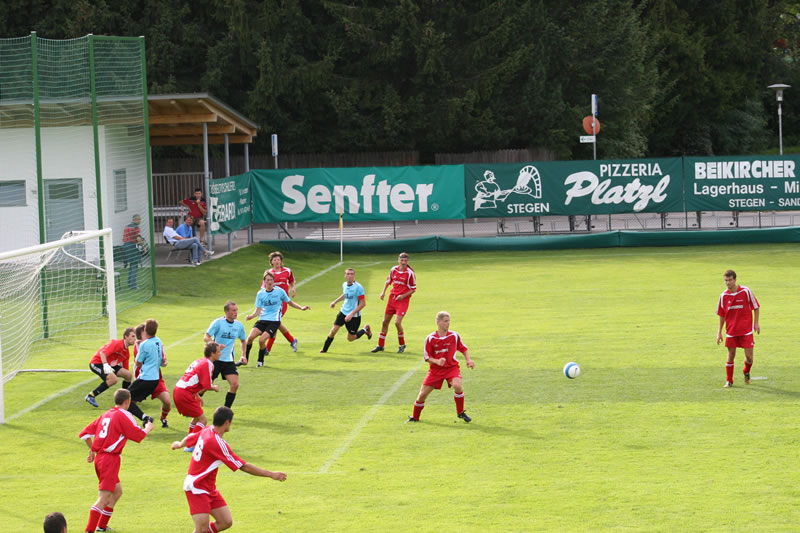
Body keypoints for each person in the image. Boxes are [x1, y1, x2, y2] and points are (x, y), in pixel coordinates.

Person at [172, 406, 287, 533]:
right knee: (201, 530)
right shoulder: (217, 443)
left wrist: (179, 444)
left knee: (225, 521)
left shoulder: (207, 430)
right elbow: (244, 466)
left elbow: (192, 437)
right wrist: (271, 474)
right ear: (227, 422)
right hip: (197, 488)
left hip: (209, 488)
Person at [79, 388, 154, 533]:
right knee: (104, 497)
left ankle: (102, 525)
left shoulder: (106, 414)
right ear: (127, 402)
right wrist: (148, 427)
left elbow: (85, 434)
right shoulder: (124, 415)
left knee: (117, 492)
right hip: (109, 460)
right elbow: (138, 436)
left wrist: (93, 450)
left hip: (101, 459)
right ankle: (89, 530)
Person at [408, 311, 475, 423]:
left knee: (458, 386)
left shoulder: (454, 335)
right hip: (435, 371)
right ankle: (415, 417)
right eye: (445, 321)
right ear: (438, 322)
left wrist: (468, 360)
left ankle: (460, 412)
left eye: (449, 321)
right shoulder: (430, 338)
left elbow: (463, 348)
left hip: (451, 368)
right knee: (422, 395)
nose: (448, 324)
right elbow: (427, 357)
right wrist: (437, 361)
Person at [245, 271, 310, 367]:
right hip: (262, 320)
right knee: (250, 338)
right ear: (264, 282)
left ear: (273, 281)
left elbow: (290, 302)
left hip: (274, 321)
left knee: (261, 341)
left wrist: (301, 308)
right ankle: (244, 359)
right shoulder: (260, 294)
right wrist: (251, 316)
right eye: (267, 280)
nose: (269, 282)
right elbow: (258, 310)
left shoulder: (279, 291)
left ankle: (260, 361)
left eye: (271, 280)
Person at [173, 342, 222, 452]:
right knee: (203, 420)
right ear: (212, 353)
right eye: (218, 352)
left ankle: (190, 442)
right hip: (184, 392)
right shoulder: (208, 364)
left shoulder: (198, 361)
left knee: (197, 417)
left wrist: (196, 395)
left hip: (179, 389)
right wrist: (215, 388)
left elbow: (192, 380)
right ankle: (190, 445)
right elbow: (207, 385)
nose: (220, 354)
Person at [716, 269, 760, 387]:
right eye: (726, 280)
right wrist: (719, 332)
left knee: (750, 358)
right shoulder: (723, 296)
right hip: (731, 331)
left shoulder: (746, 291)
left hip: (746, 330)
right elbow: (722, 315)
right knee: (731, 355)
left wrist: (756, 323)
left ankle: (746, 371)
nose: (728, 283)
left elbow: (756, 306)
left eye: (730, 280)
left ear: (735, 280)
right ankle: (729, 380)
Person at [204, 301, 247, 407]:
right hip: (215, 360)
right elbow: (206, 337)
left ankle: (226, 409)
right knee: (204, 386)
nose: (236, 312)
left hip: (228, 360)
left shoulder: (239, 325)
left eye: (236, 310)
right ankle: (192, 405)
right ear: (227, 312)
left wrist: (243, 355)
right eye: (233, 310)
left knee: (235, 384)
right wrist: (216, 345)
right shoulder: (218, 322)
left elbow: (243, 340)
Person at [372, 252, 416, 353]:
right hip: (392, 299)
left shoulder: (410, 273)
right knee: (384, 322)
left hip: (403, 301)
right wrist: (383, 292)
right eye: (402, 260)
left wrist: (403, 296)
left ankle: (402, 344)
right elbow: (388, 281)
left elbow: (413, 289)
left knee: (397, 322)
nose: (403, 262)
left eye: (405, 261)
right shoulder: (394, 269)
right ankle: (380, 345)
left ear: (407, 261)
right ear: (398, 260)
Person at [320, 268, 372, 353]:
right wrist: (335, 302)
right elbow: (345, 294)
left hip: (354, 316)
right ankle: (324, 350)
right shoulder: (344, 284)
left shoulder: (358, 287)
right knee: (333, 331)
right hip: (343, 312)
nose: (350, 276)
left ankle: (365, 329)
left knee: (350, 338)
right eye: (348, 274)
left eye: (351, 274)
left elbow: (363, 303)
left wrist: (351, 314)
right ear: (345, 276)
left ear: (354, 276)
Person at [84, 327, 136, 407]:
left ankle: (125, 398)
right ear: (126, 336)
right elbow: (102, 353)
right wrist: (105, 364)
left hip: (110, 365)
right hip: (97, 363)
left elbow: (125, 370)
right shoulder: (116, 343)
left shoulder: (126, 353)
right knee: (113, 379)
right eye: (132, 336)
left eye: (135, 336)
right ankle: (91, 396)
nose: (135, 339)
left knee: (128, 375)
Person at [133, 322, 172, 428]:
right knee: (131, 401)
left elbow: (163, 361)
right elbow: (139, 363)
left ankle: (163, 418)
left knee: (167, 402)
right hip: (144, 378)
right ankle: (134, 422)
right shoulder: (140, 346)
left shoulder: (155, 343)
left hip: (156, 379)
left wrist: (164, 362)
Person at [126, 319, 163, 426]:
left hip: (146, 378)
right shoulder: (158, 341)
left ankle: (145, 418)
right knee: (131, 401)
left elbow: (137, 363)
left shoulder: (144, 345)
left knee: (125, 398)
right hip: (155, 379)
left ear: (145, 330)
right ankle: (134, 422)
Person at [262, 251, 299, 354]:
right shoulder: (269, 273)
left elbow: (291, 280)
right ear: (271, 262)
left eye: (279, 259)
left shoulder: (287, 271)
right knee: (276, 324)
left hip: (282, 302)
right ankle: (292, 340)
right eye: (275, 260)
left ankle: (267, 349)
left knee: (275, 323)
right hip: (271, 303)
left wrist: (294, 289)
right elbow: (263, 287)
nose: (277, 261)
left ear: (281, 261)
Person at [122, 214, 145, 289]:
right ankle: (133, 285)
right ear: (134, 220)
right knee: (134, 265)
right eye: (139, 219)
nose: (140, 221)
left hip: (125, 246)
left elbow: (124, 237)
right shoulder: (136, 227)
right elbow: (138, 239)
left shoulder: (126, 226)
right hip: (132, 246)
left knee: (131, 264)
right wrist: (143, 247)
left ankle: (129, 282)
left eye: (140, 219)